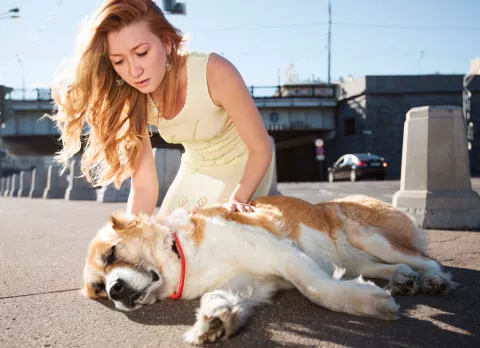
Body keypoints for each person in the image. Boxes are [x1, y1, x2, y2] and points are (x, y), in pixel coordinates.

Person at [50, 0, 274, 216]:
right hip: (195, 169)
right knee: (166, 238)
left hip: (247, 168)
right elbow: (144, 186)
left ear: (167, 43)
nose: (133, 71)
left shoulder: (214, 72)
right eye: (119, 61)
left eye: (141, 53)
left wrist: (238, 199)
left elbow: (261, 148)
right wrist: (132, 232)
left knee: (211, 238)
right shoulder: (131, 100)